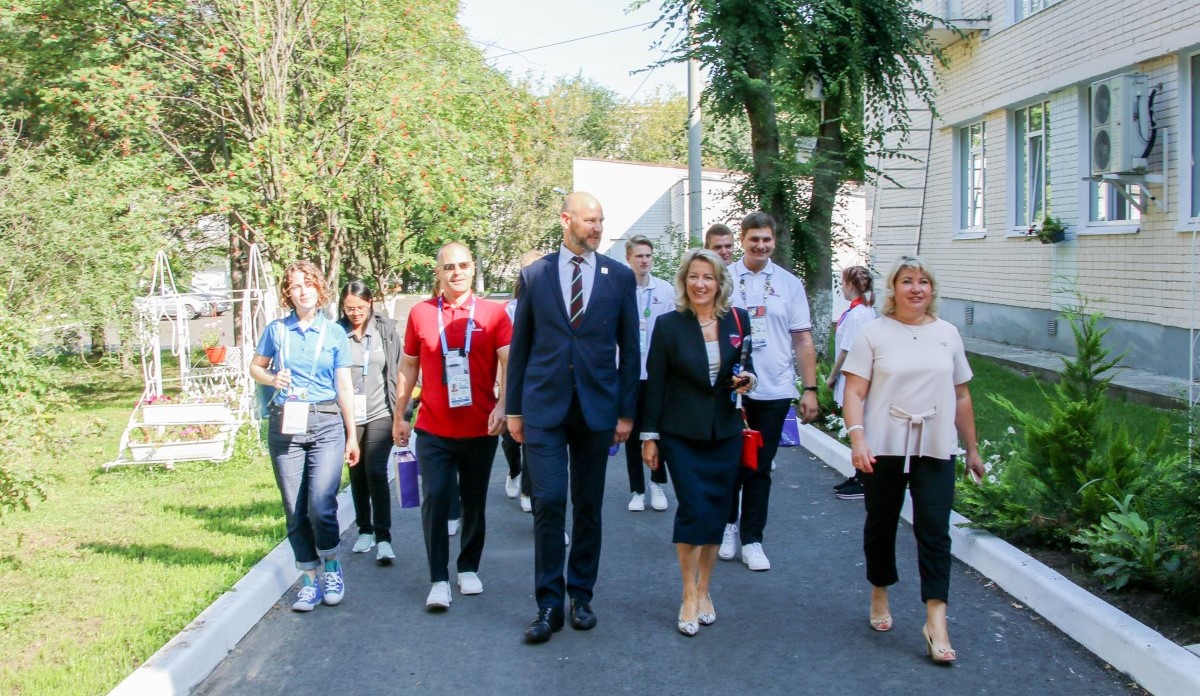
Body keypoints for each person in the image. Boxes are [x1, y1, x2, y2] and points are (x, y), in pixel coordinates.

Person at [506, 191, 640, 644]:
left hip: (596, 409)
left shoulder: (619, 277)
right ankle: (548, 603)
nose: (597, 228)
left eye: (600, 220)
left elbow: (631, 348)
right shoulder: (536, 274)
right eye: (589, 220)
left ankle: (581, 595)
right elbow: (521, 347)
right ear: (566, 220)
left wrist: (626, 412)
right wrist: (513, 409)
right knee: (548, 502)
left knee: (587, 505)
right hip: (544, 407)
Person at [841, 255, 984, 664]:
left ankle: (936, 621)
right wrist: (858, 438)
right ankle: (880, 588)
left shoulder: (947, 334)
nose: (916, 288)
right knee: (881, 522)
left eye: (923, 281)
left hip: (935, 446)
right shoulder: (874, 333)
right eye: (907, 281)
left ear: (932, 289)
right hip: (884, 446)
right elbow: (854, 392)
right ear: (894, 288)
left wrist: (972, 448)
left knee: (935, 530)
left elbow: (961, 395)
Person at [640, 249, 756, 636]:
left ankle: (705, 589)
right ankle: (688, 594)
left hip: (724, 432)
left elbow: (746, 367)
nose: (700, 284)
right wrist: (649, 436)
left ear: (720, 283)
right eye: (694, 276)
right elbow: (655, 383)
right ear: (684, 281)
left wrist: (748, 380)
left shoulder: (737, 320)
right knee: (692, 509)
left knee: (717, 512)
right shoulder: (668, 324)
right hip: (681, 433)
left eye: (708, 277)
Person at [393, 243, 511, 610]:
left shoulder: (494, 313)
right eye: (448, 267)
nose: (456, 272)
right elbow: (408, 366)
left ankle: (468, 568)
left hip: (480, 428)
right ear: (438, 273)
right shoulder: (421, 313)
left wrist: (504, 406)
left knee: (474, 501)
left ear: (473, 268)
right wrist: (400, 415)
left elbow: (509, 361)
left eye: (462, 265)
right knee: (436, 498)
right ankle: (438, 579)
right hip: (433, 429)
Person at [249, 261, 360, 612]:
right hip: (286, 422)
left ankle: (332, 566)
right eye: (296, 286)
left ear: (319, 289)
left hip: (326, 422)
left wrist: (352, 435)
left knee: (321, 504)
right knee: (295, 508)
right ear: (288, 293)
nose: (303, 291)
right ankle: (309, 579)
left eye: (309, 284)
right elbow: (255, 367)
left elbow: (344, 387)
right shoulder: (277, 331)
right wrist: (272, 379)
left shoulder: (334, 333)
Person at [721, 211, 819, 571]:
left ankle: (753, 539)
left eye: (766, 240)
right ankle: (728, 525)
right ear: (743, 239)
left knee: (759, 468)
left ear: (774, 241)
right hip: (731, 389)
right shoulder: (725, 278)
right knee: (730, 463)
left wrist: (810, 388)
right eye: (754, 239)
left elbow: (802, 339)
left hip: (775, 388)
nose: (760, 246)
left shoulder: (789, 284)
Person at [337, 281, 403, 565]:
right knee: (357, 471)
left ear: (370, 303)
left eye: (360, 307)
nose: (355, 313)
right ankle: (365, 529)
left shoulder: (384, 330)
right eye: (349, 308)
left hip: (381, 411)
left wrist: (402, 414)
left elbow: (399, 370)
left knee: (375, 470)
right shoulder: (337, 333)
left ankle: (384, 537)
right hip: (349, 414)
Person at [623, 235, 676, 513]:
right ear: (628, 258)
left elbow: (674, 330)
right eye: (639, 256)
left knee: (657, 431)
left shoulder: (665, 290)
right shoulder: (620, 289)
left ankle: (656, 483)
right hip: (629, 373)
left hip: (658, 373)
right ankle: (637, 489)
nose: (644, 261)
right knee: (632, 434)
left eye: (648, 256)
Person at [824, 266, 877, 501]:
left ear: (850, 285)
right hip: (856, 374)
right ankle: (859, 474)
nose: (842, 288)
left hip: (853, 375)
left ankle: (864, 478)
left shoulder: (857, 315)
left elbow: (846, 349)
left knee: (858, 424)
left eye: (843, 283)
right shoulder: (862, 310)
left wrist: (832, 375)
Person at [501, 250, 545, 514]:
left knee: (531, 438)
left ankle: (528, 489)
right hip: (512, 380)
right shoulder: (509, 310)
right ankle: (514, 471)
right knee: (510, 438)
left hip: (537, 383)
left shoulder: (549, 305)